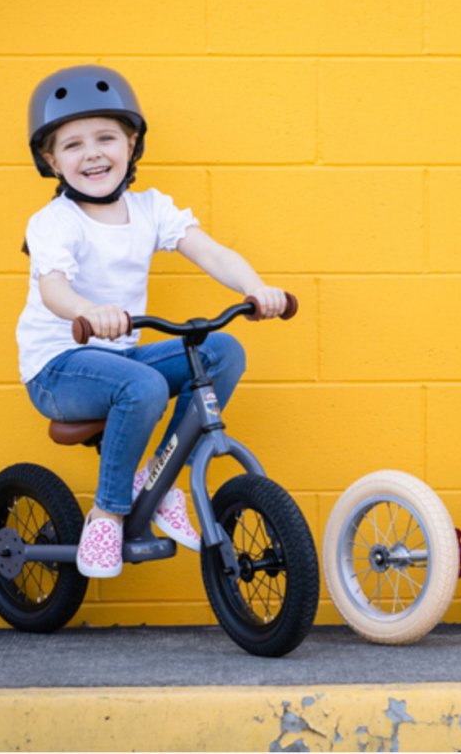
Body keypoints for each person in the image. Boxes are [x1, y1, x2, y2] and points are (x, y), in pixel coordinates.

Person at [16, 64, 288, 578]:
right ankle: (108, 510)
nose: (92, 153)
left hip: (118, 359)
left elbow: (212, 253)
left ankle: (159, 483)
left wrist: (256, 288)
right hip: (59, 368)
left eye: (105, 137)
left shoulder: (151, 209)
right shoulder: (53, 222)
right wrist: (86, 311)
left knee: (222, 352)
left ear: (132, 143)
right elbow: (52, 287)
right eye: (72, 145)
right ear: (51, 161)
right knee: (140, 385)